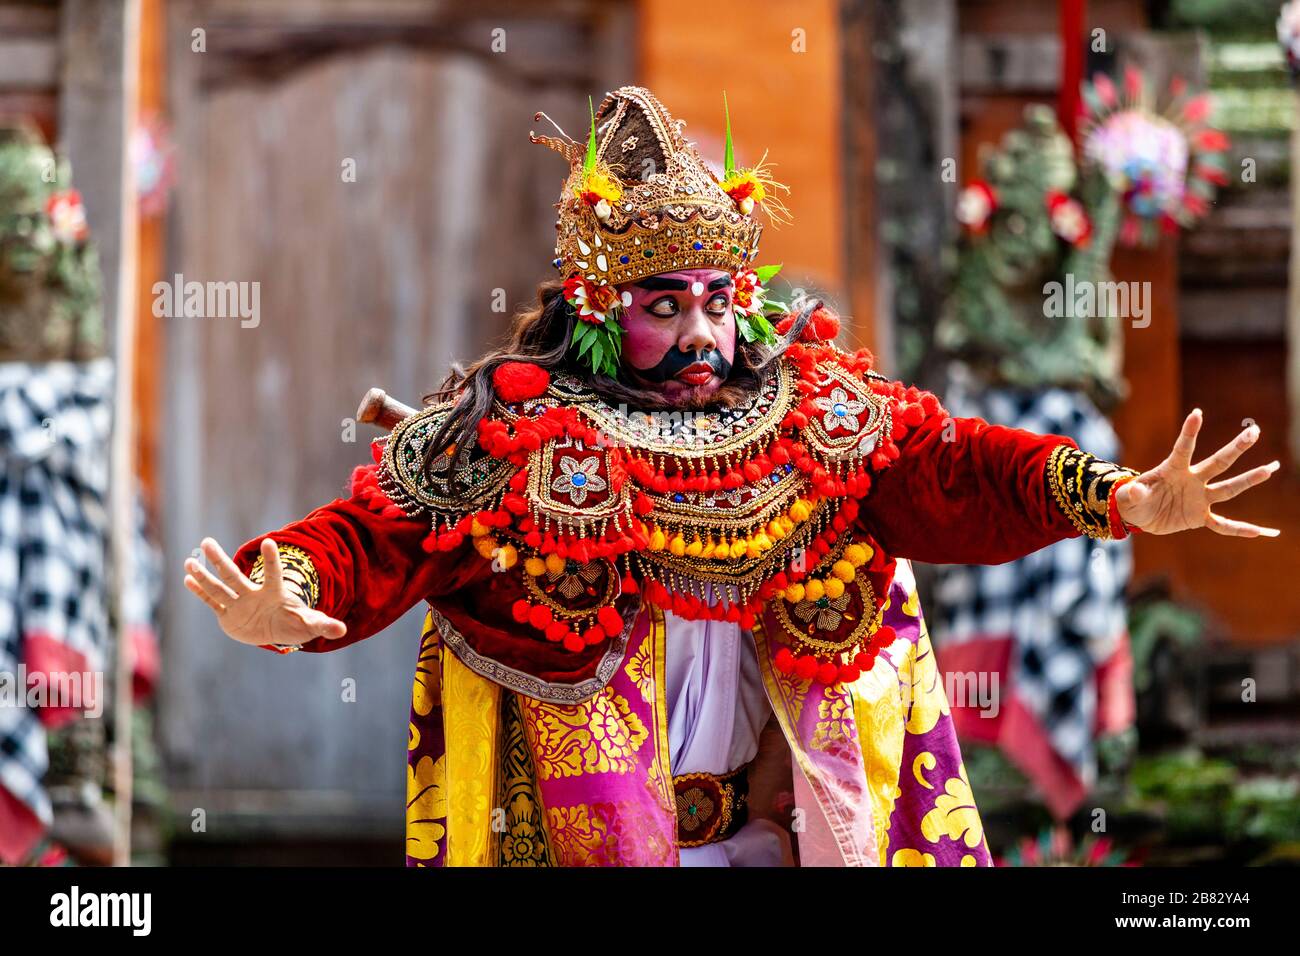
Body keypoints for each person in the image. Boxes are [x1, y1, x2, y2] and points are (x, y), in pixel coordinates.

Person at [183, 86, 1280, 867]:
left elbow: (951, 464)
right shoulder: (515, 434)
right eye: (666, 305)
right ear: (602, 311)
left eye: (718, 299)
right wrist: (292, 595)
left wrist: (1112, 494)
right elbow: (373, 531)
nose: (701, 329)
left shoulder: (816, 412)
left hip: (785, 837)